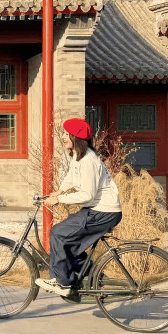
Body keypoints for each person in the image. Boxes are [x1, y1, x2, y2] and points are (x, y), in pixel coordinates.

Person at [35, 118, 122, 302]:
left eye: (66, 134)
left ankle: (64, 283)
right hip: (98, 209)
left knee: (58, 233)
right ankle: (92, 274)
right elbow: (72, 177)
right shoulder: (79, 156)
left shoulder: (88, 160)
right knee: (69, 244)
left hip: (103, 211)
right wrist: (59, 191)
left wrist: (60, 200)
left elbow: (87, 195)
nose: (63, 136)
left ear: (75, 137)